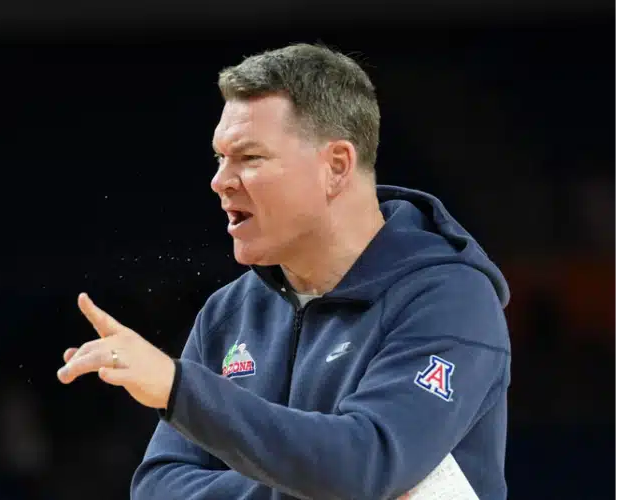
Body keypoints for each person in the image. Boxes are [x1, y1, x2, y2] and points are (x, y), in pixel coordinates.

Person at [57, 43, 511, 499]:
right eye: (220, 157)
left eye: (249, 158)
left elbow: (366, 464)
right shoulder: (228, 312)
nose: (220, 181)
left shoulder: (450, 298)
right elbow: (157, 488)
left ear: (335, 167)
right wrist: (314, 486)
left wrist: (179, 388)